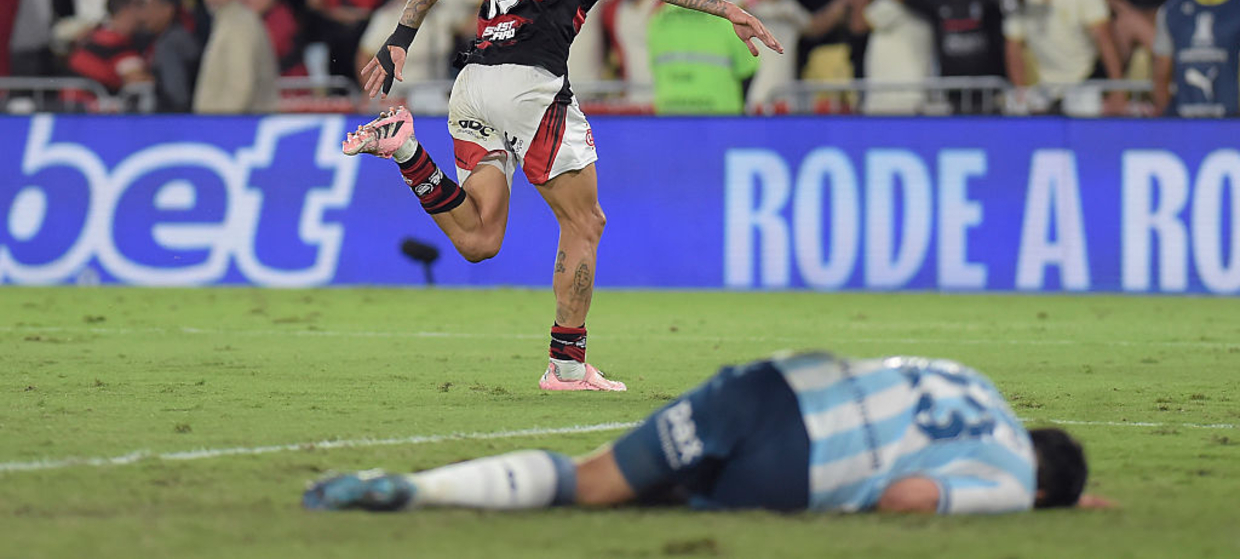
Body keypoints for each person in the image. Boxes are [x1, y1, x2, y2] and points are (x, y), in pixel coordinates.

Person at [344, 0, 782, 392]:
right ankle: (567, 367)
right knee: (584, 221)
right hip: (529, 86)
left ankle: (406, 150)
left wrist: (400, 38)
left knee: (480, 239)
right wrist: (727, 8)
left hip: (473, 84)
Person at [303, 350, 1111, 515]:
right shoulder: (1010, 480)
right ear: (1044, 488)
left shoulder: (975, 380)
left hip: (767, 386)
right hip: (799, 463)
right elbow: (907, 497)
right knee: (632, 499)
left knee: (594, 475)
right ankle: (416, 496)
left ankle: (414, 486)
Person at [1004, 0, 1126, 116]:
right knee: (1015, 108)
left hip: (1085, 78)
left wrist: (1118, 90)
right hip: (1045, 85)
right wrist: (1020, 90)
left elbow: (1104, 38)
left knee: (1088, 113)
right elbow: (1013, 46)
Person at [1153, 0, 1240, 117]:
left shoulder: (1236, 5)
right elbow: (1161, 75)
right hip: (1185, 120)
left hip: (1231, 120)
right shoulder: (1172, 10)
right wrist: (1167, 120)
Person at [192, 0, 280, 114]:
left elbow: (241, 84)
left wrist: (221, 123)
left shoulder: (240, 24)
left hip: (235, 122)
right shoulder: (226, 22)